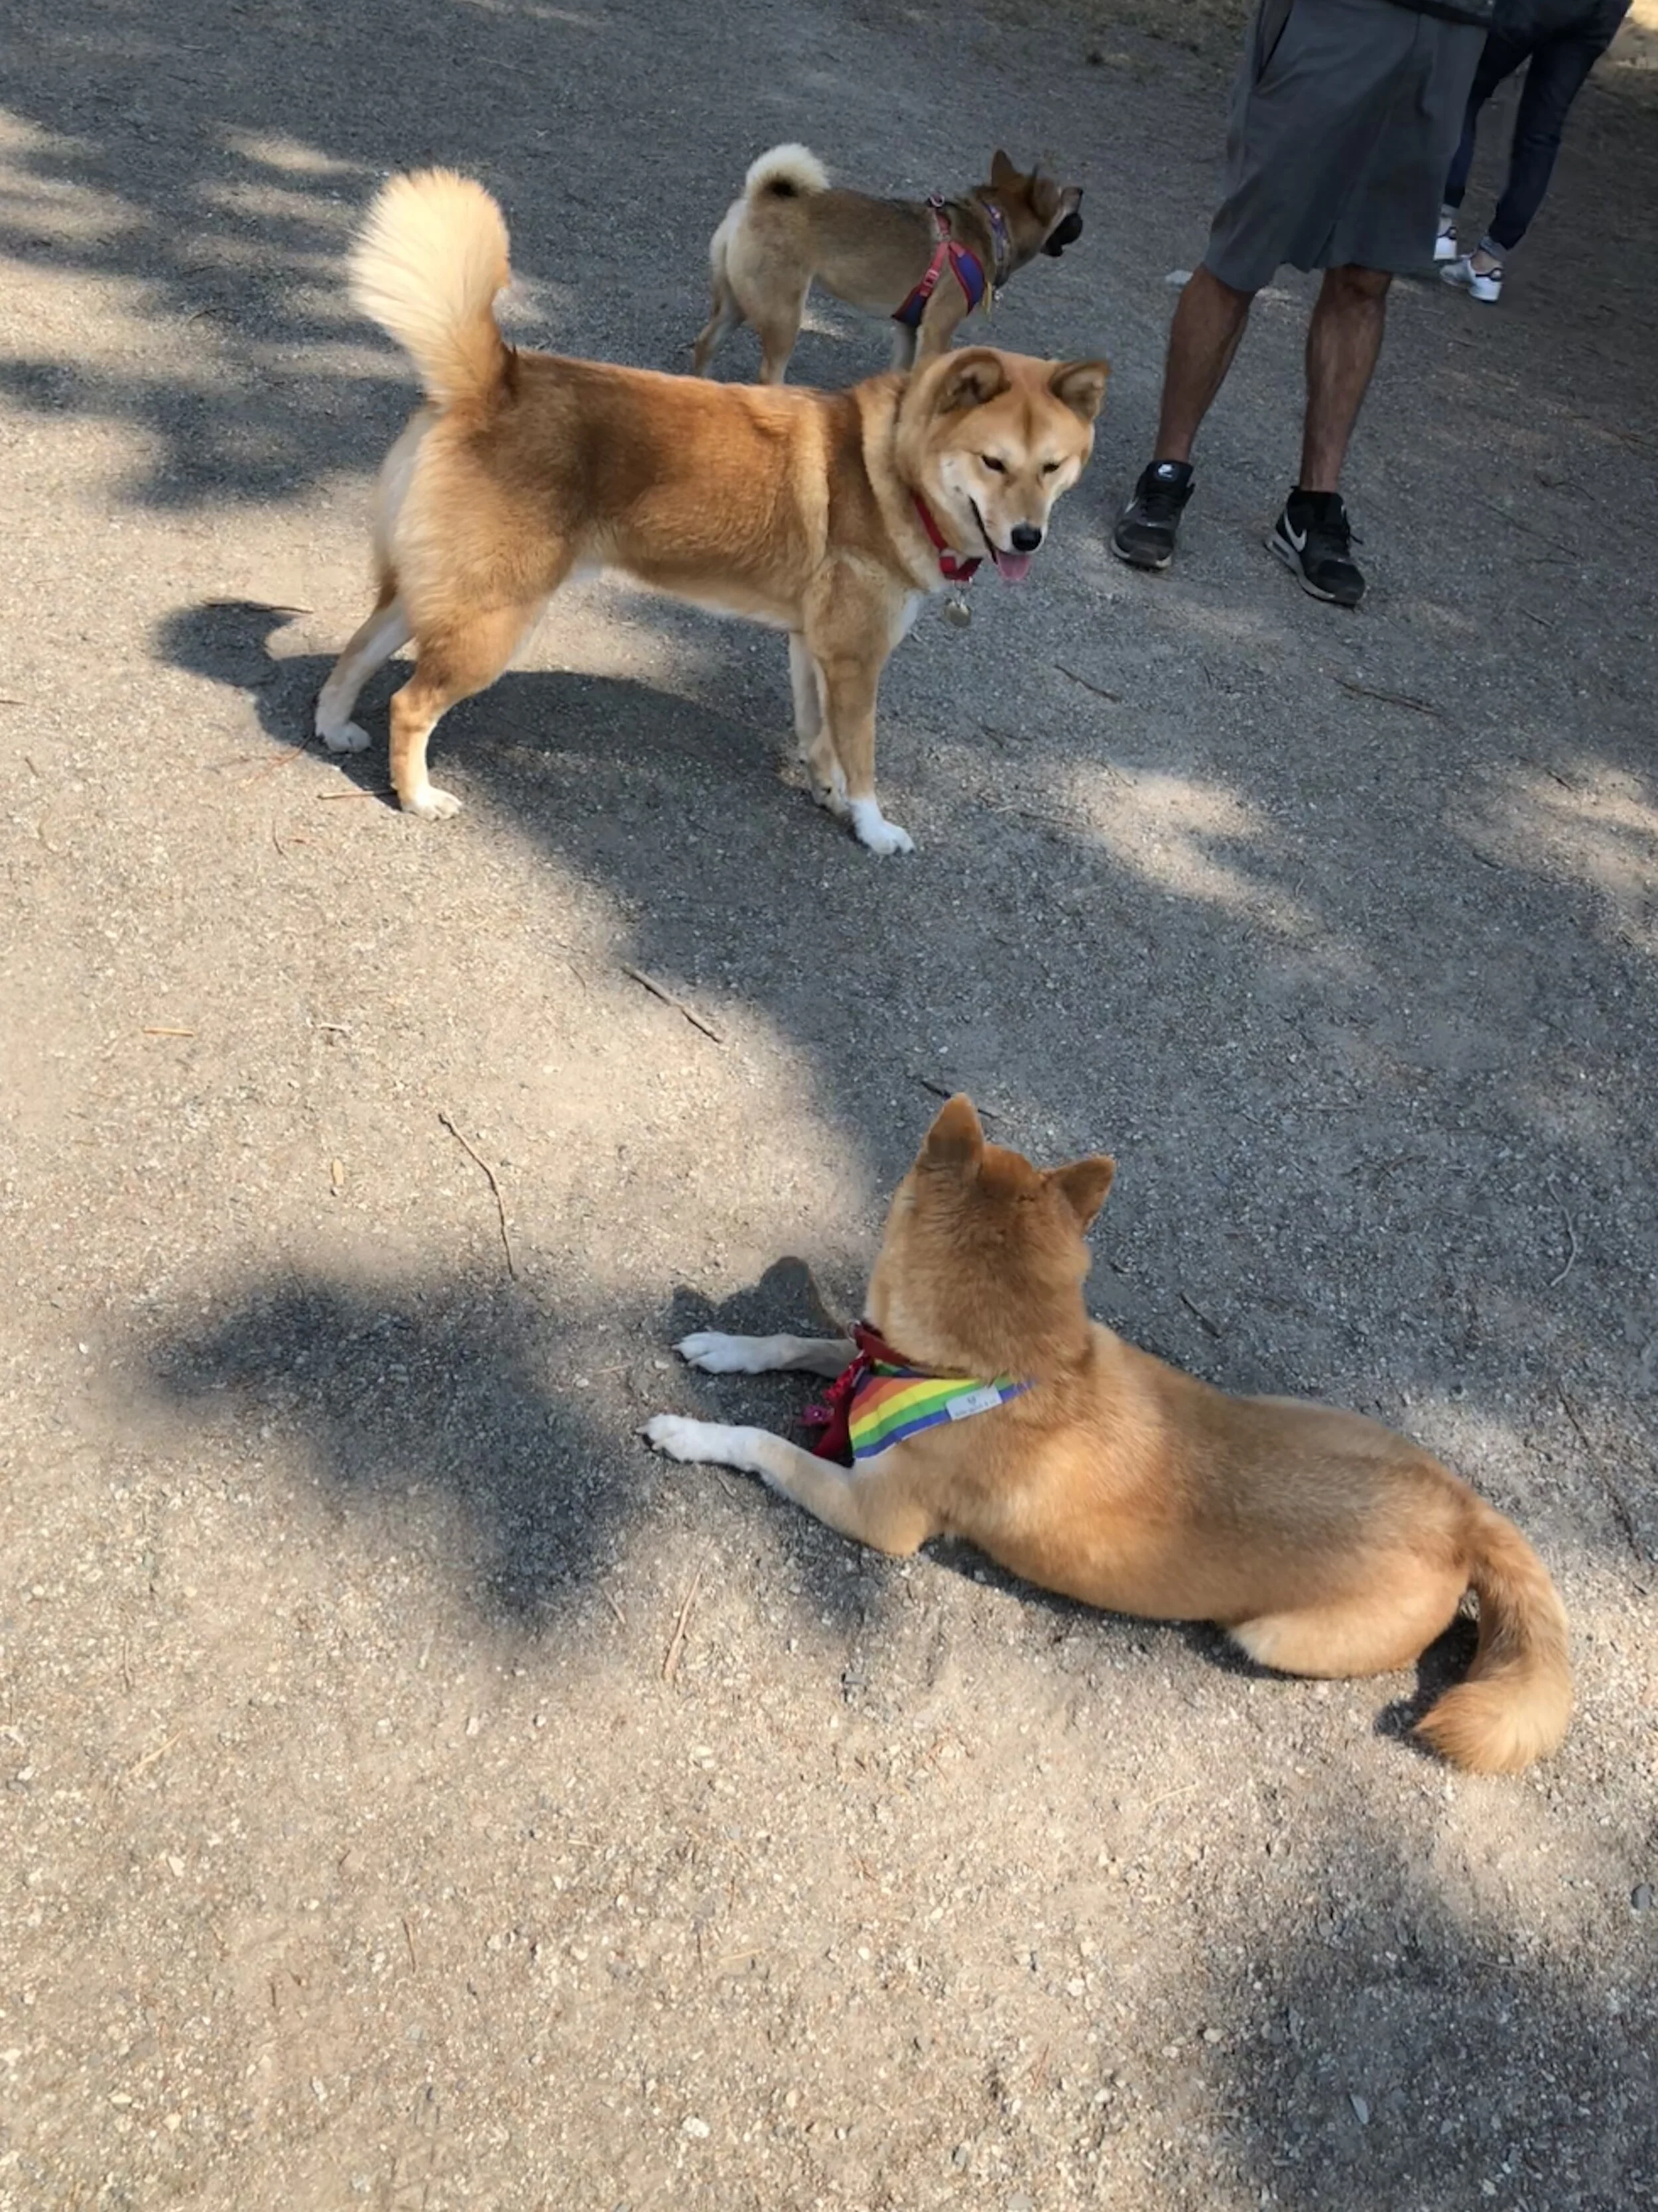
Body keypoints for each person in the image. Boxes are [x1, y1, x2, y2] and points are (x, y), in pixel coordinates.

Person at [1112, 0, 1492, 608]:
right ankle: (1165, 475)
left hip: (1453, 26)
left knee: (1368, 274)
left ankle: (1312, 508)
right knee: (1241, 255)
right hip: (1337, 16)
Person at [1437, 0, 1630, 303]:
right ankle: (1489, 260)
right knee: (1542, 131)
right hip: (1604, 11)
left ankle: (1441, 221)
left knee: (1465, 88)